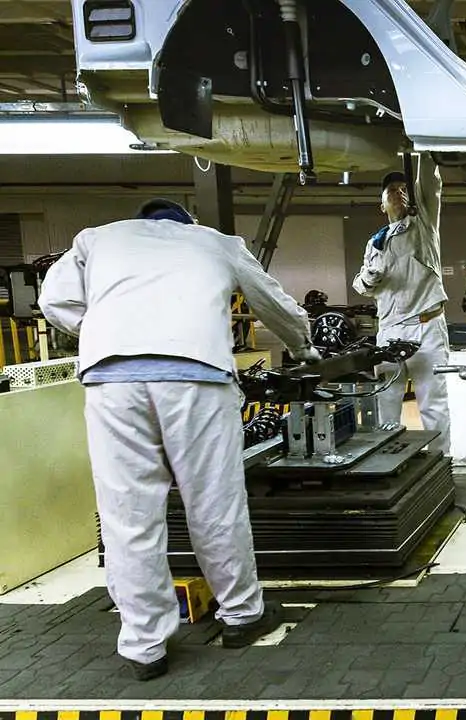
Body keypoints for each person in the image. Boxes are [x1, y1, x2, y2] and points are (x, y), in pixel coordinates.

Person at [37, 199, 321, 681]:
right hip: (196, 377)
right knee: (214, 502)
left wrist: (108, 331)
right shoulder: (216, 242)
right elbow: (272, 302)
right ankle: (242, 615)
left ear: (141, 221)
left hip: (112, 380)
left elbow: (54, 301)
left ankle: (144, 646)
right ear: (188, 223)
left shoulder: (97, 237)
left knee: (127, 515)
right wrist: (303, 347)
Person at [352, 154, 451, 453]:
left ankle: (441, 462)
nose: (398, 193)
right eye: (391, 191)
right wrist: (370, 276)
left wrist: (421, 147)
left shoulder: (424, 225)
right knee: (386, 405)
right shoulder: (376, 243)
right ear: (381, 205)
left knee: (434, 405)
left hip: (426, 326)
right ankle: (388, 463)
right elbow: (362, 286)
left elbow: (429, 182)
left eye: (403, 189)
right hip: (391, 329)